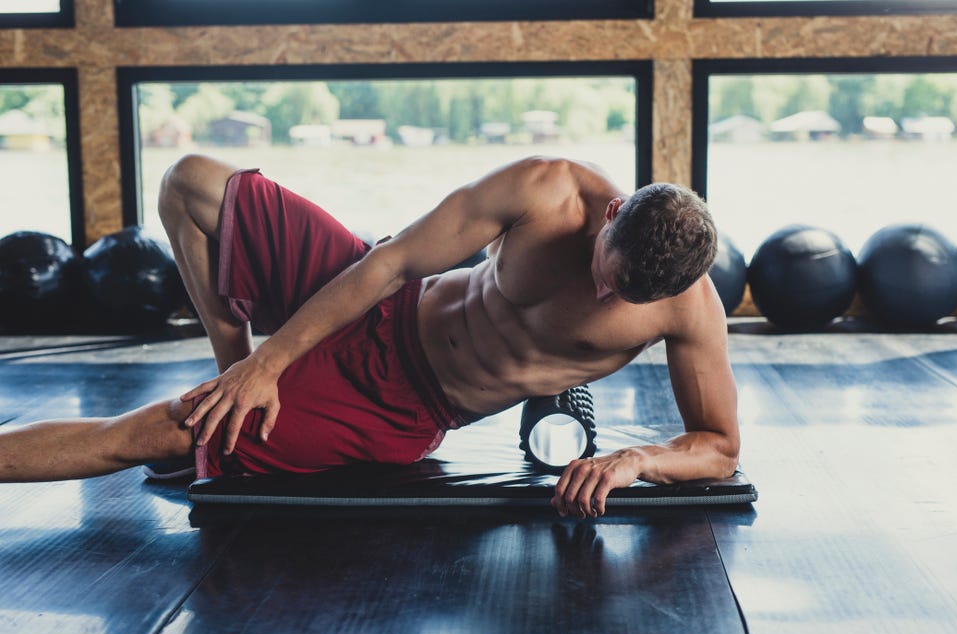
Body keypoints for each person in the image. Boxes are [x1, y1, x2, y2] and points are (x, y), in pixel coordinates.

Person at [0, 154, 739, 518]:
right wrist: (263, 365)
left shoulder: (687, 307)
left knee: (145, 433)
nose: (605, 294)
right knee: (188, 183)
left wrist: (637, 459)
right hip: (374, 296)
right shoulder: (547, 190)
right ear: (611, 214)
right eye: (608, 274)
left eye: (628, 298)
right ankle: (243, 379)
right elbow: (387, 264)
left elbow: (720, 444)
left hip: (394, 405)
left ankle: (242, 401)